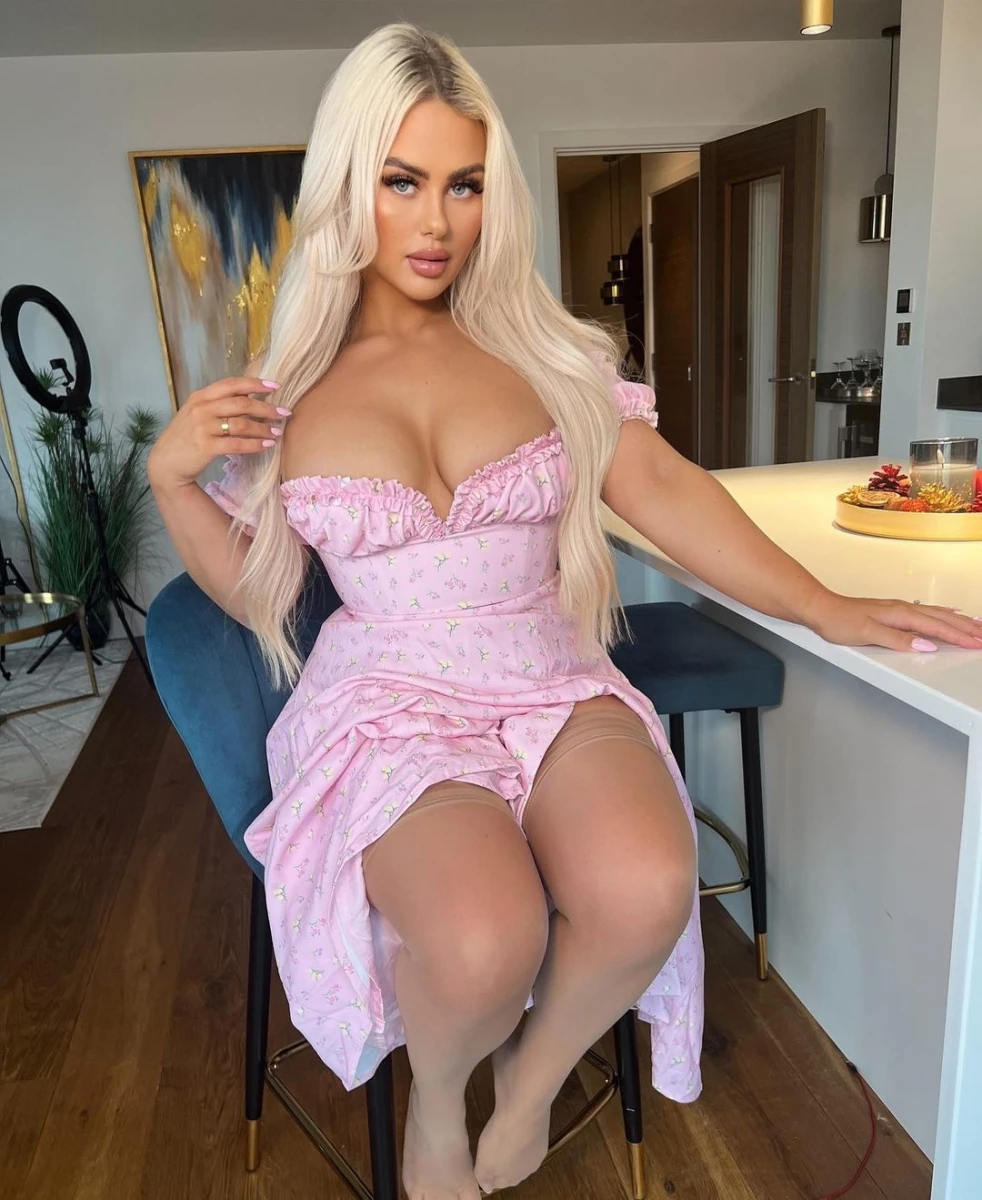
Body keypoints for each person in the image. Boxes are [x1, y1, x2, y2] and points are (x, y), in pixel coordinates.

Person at [147, 23, 982, 1200]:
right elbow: (261, 595)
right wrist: (171, 480)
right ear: (346, 188)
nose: (436, 223)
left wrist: (822, 604)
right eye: (401, 182)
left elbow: (667, 490)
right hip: (390, 701)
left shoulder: (542, 355)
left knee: (647, 887)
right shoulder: (287, 396)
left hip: (545, 672)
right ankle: (440, 1099)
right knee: (485, 938)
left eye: (464, 185)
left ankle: (531, 1082)